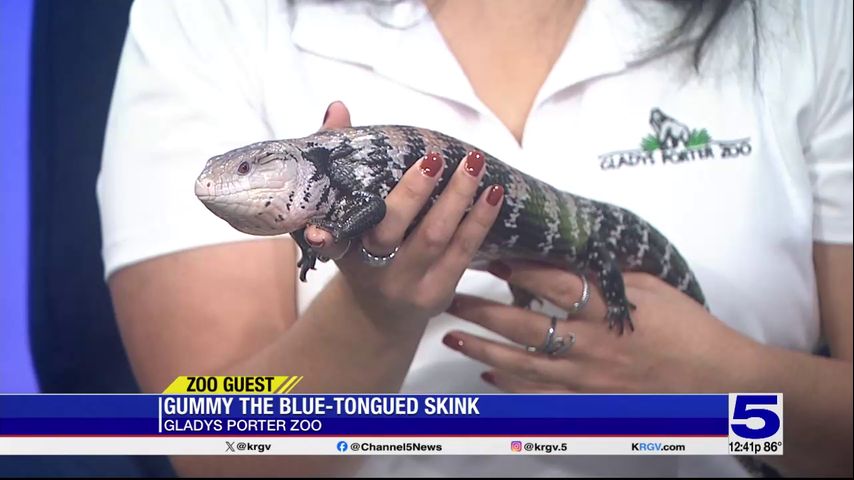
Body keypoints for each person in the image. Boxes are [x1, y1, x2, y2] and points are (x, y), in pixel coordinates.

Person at [97, 0, 852, 476]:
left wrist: (723, 382)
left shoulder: (807, 18)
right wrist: (374, 308)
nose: (229, 178)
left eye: (246, 166)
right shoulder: (208, 18)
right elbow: (213, 442)